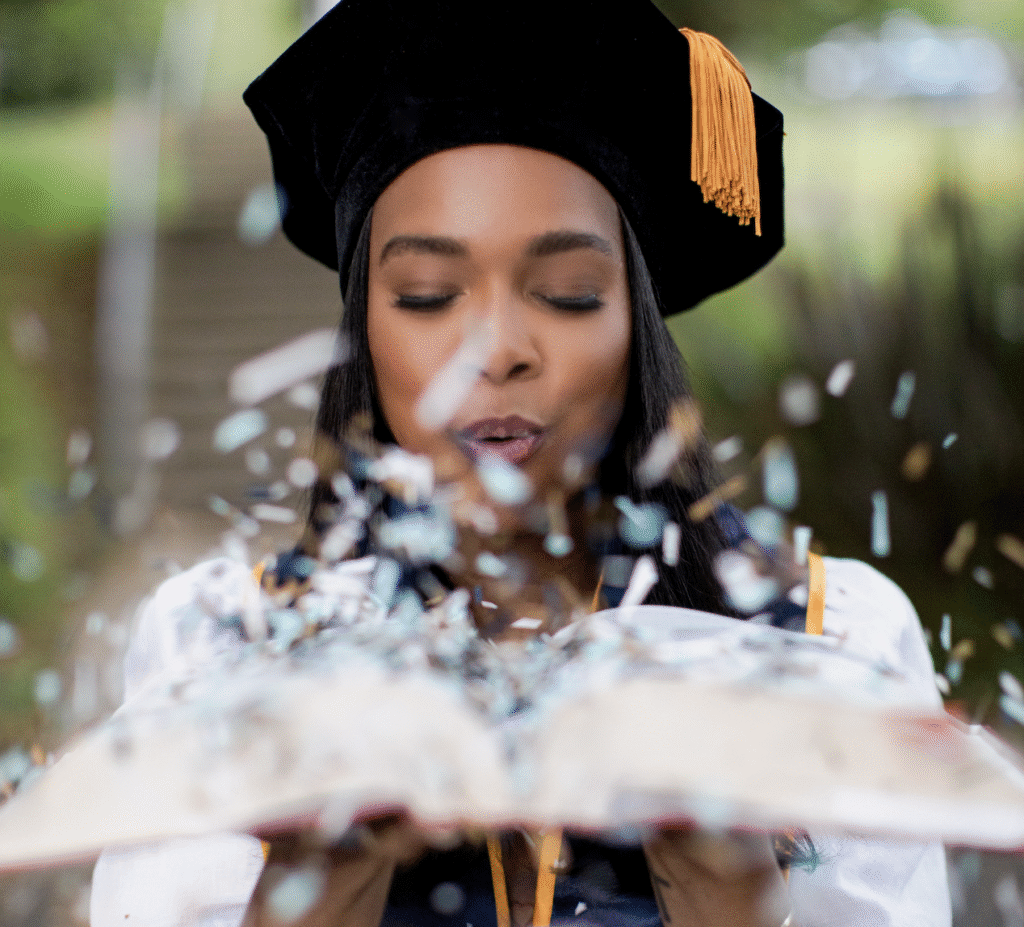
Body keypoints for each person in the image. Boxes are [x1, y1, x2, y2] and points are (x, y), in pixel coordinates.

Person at [90, 0, 952, 925]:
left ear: (637, 327)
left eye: (568, 293)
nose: (496, 350)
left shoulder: (824, 646)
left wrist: (732, 891)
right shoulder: (226, 658)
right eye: (428, 295)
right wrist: (319, 876)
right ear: (363, 331)